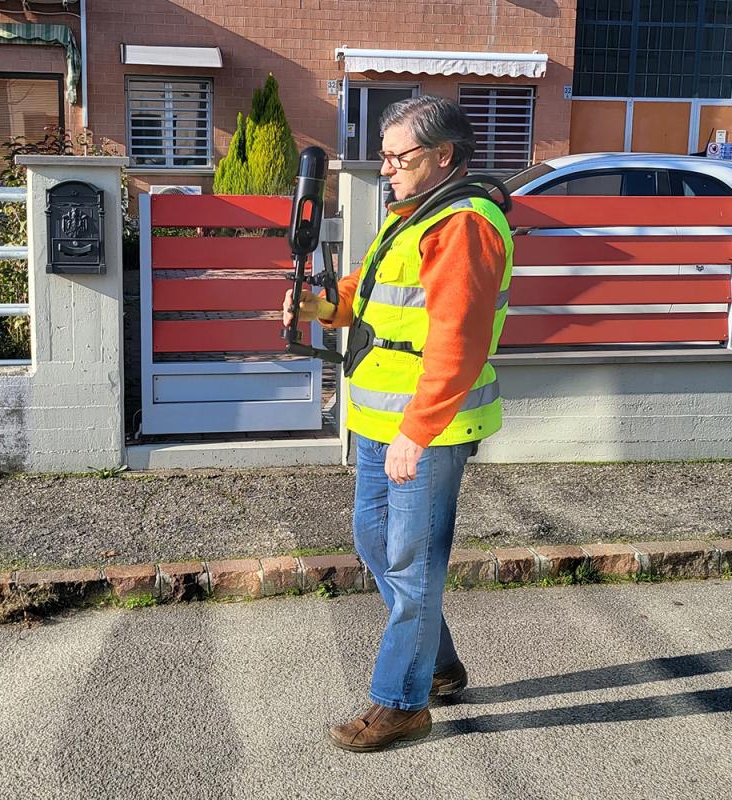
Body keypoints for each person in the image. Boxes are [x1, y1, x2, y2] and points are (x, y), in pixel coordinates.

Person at [282, 95, 514, 752]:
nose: (385, 168)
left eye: (397, 157)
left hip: (425, 429)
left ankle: (401, 702)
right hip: (383, 419)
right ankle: (436, 664)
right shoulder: (413, 215)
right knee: (373, 539)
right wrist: (321, 305)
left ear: (442, 155)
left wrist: (417, 431)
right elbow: (368, 291)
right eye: (382, 157)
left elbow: (458, 340)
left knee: (412, 563)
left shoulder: (463, 226)